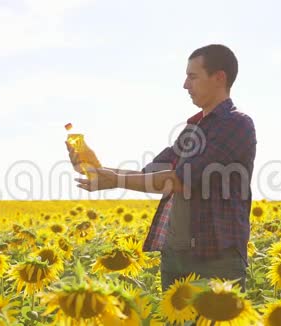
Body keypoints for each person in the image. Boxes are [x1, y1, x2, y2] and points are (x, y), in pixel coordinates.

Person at [66, 44, 256, 294]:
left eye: (192, 76)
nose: (185, 85)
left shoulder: (236, 124)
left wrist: (113, 179)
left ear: (219, 77)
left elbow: (178, 181)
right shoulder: (191, 132)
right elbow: (149, 176)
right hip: (175, 256)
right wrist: (98, 168)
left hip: (215, 258)